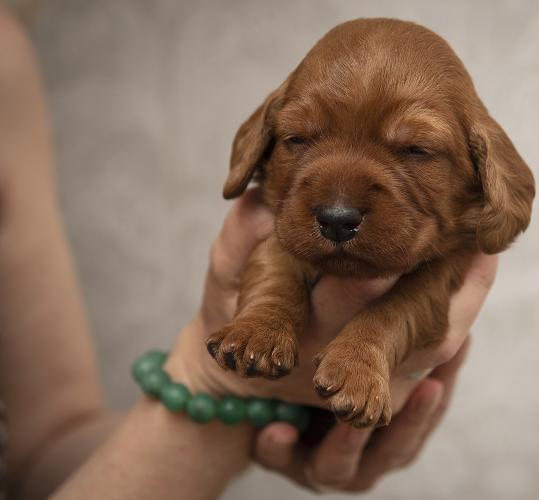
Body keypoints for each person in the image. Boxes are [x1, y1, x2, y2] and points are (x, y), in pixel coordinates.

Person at [0, 8, 498, 499]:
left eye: (415, 150)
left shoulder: (9, 63)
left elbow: (45, 447)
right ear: (262, 142)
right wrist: (246, 342)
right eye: (300, 139)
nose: (339, 206)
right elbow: (275, 258)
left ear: (482, 169)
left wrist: (366, 353)